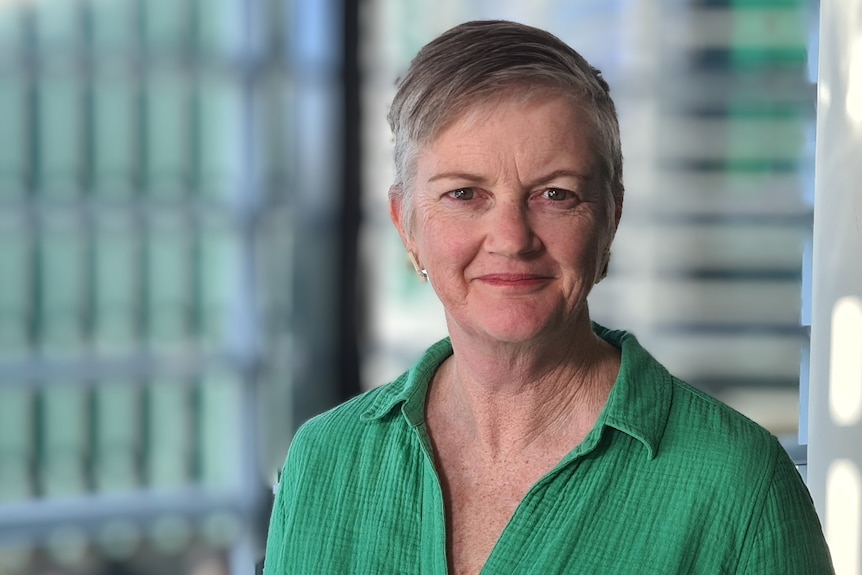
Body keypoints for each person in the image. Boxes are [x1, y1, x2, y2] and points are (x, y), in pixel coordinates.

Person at [263, 20, 834, 574]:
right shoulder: (324, 462)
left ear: (610, 217)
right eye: (465, 193)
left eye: (555, 194)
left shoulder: (738, 486)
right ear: (406, 223)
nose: (512, 239)